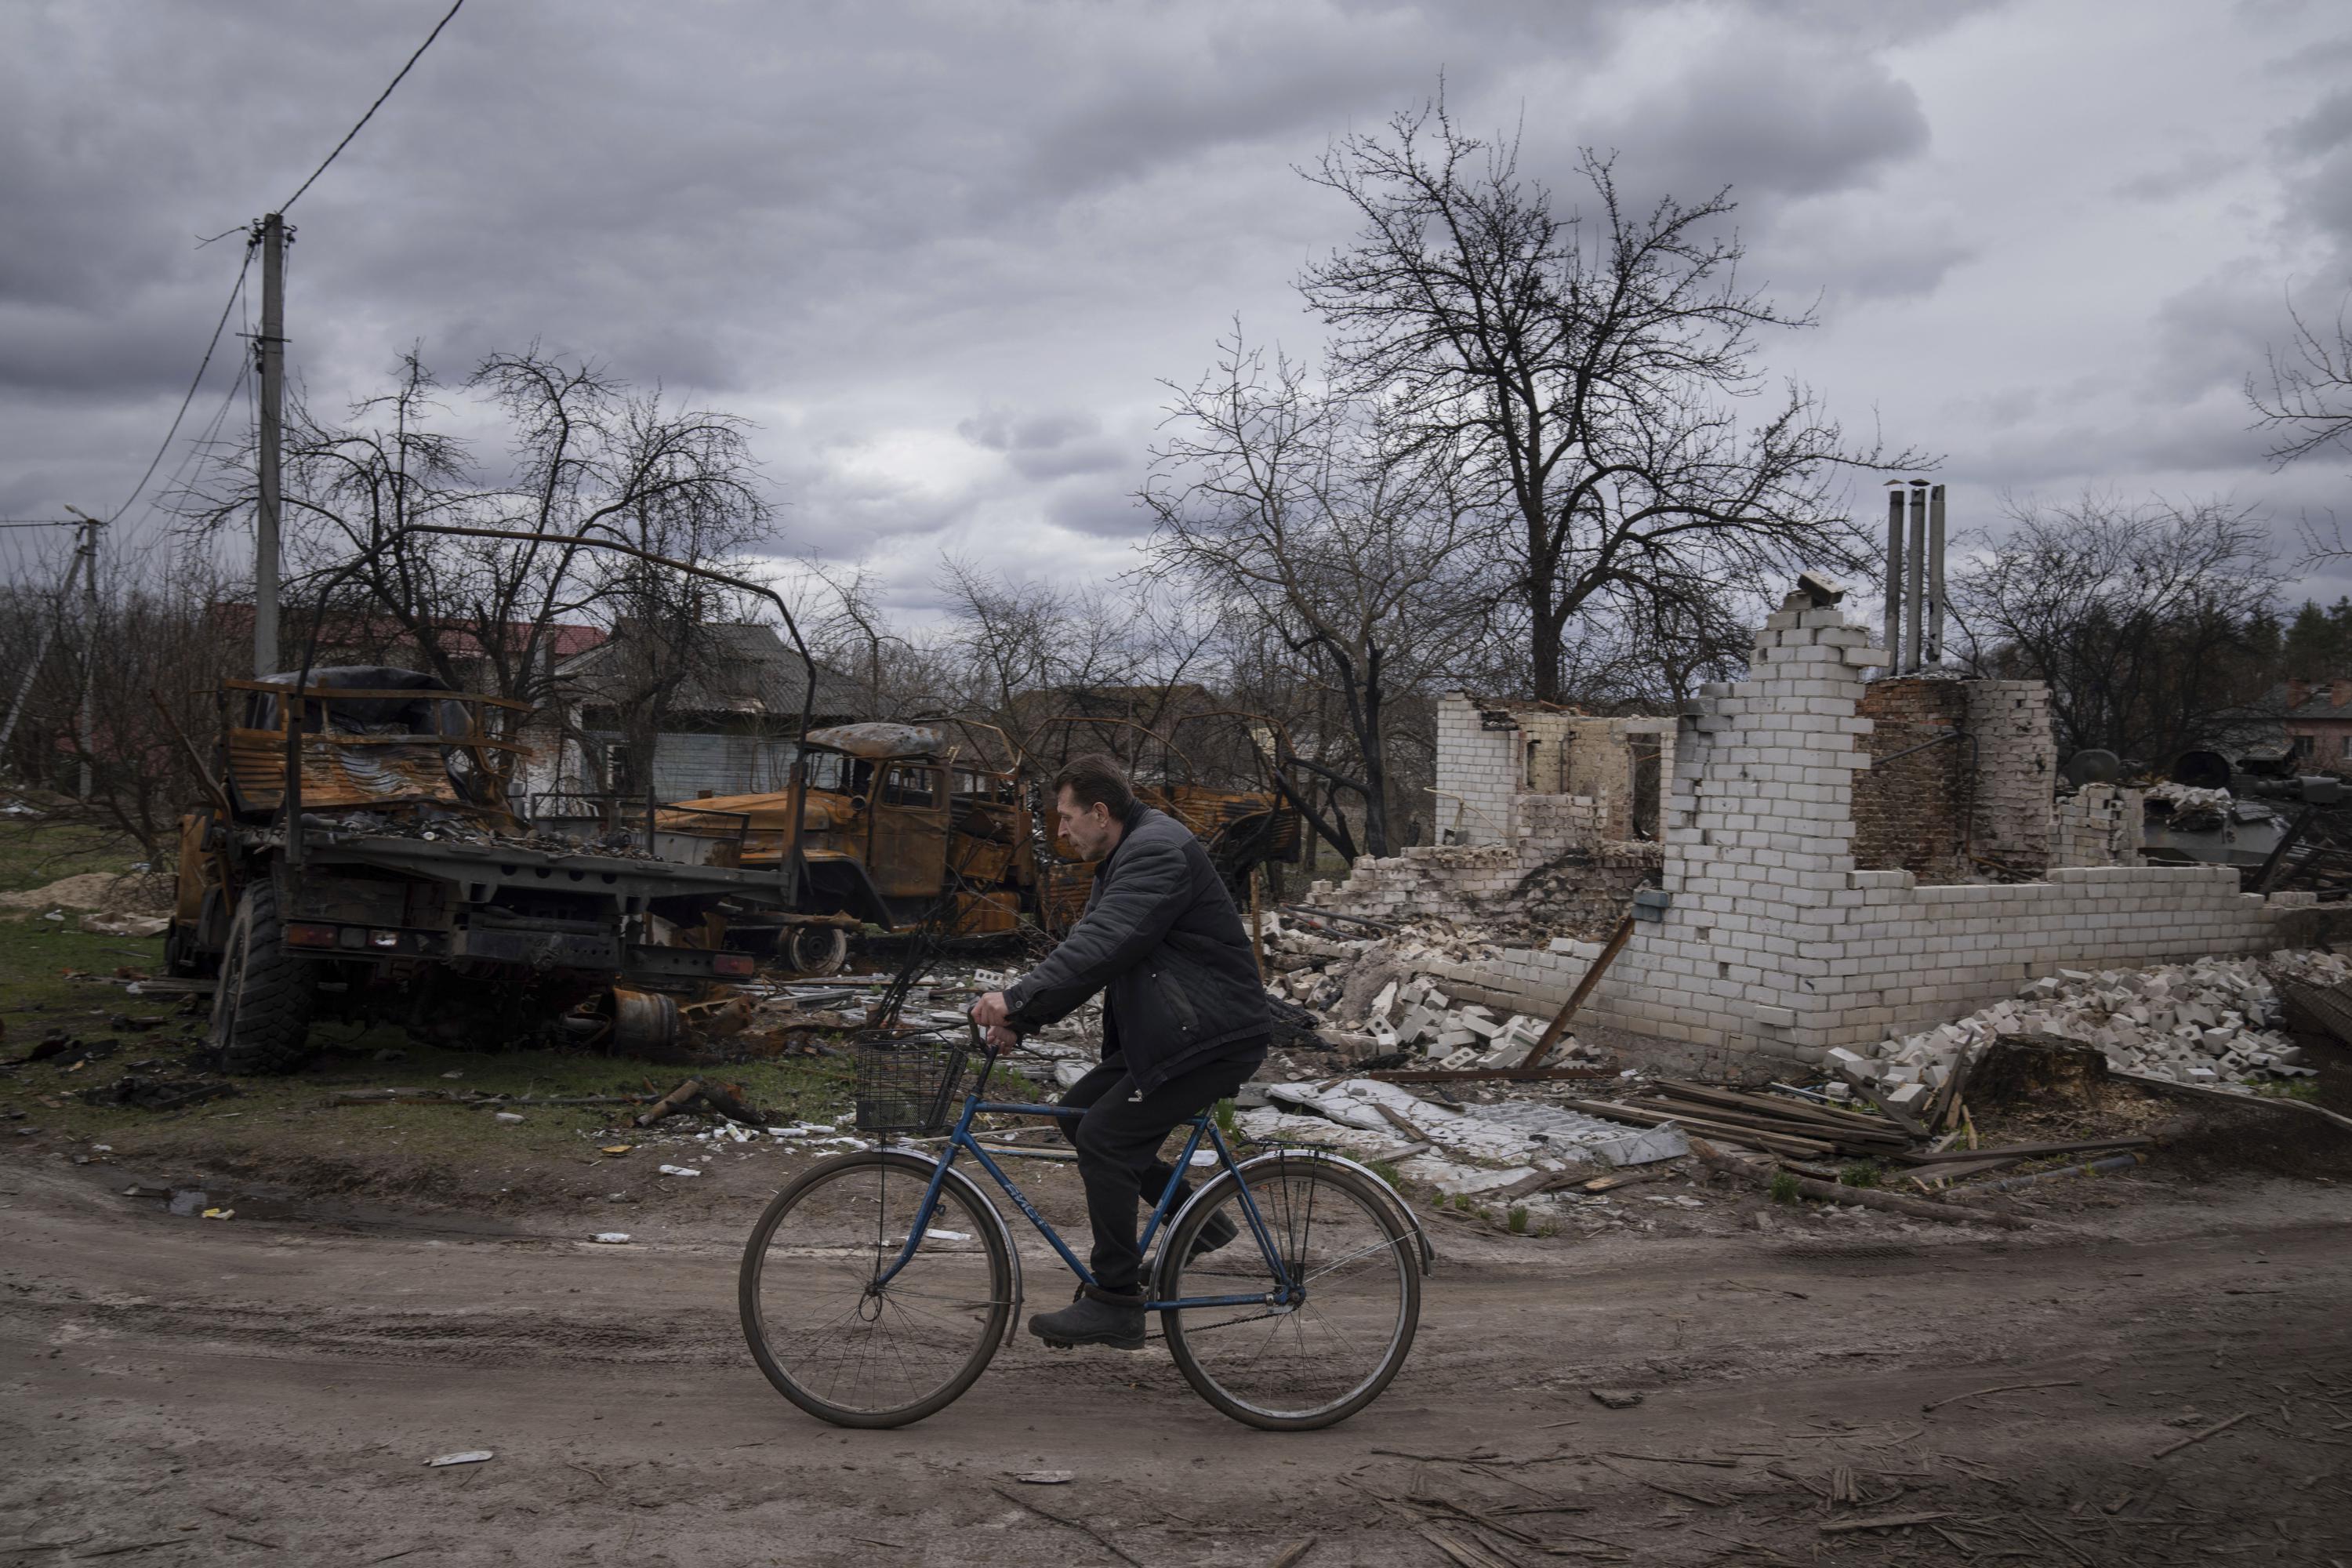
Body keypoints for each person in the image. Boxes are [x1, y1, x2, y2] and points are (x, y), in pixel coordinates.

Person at [970, 753, 1270, 1350]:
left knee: (1107, 1137)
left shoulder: (1154, 852)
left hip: (1211, 1036)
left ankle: (1116, 1302)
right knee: (1078, 1115)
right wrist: (1021, 1017)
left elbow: (1105, 944)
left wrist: (1016, 998)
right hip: (1176, 1031)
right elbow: (1095, 952)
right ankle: (1197, 1223)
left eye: (1065, 817)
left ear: (1100, 813)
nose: (1060, 831)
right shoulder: (1129, 852)